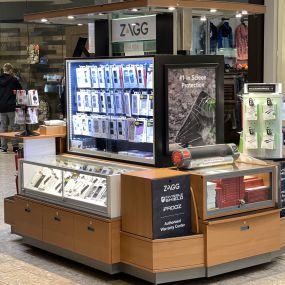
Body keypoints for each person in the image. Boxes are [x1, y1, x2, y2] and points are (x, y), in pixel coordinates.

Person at [0, 63, 22, 152]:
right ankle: (15, 147)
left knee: (3, 127)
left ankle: (3, 147)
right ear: (10, 70)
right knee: (14, 127)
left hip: (1, 107)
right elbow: (21, 91)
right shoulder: (14, 80)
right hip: (11, 107)